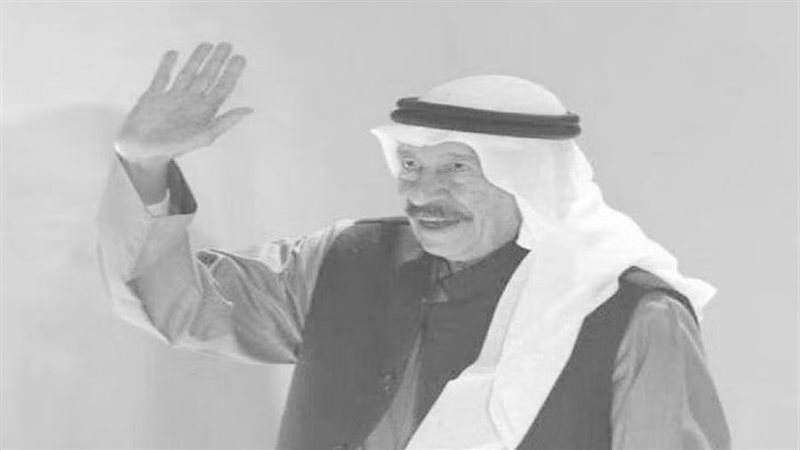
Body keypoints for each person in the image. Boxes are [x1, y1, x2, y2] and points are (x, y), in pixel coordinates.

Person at [97, 42, 731, 449]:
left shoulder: (632, 312)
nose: (422, 192)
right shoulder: (346, 261)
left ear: (528, 177)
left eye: (456, 168)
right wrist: (144, 166)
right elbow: (181, 307)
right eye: (410, 165)